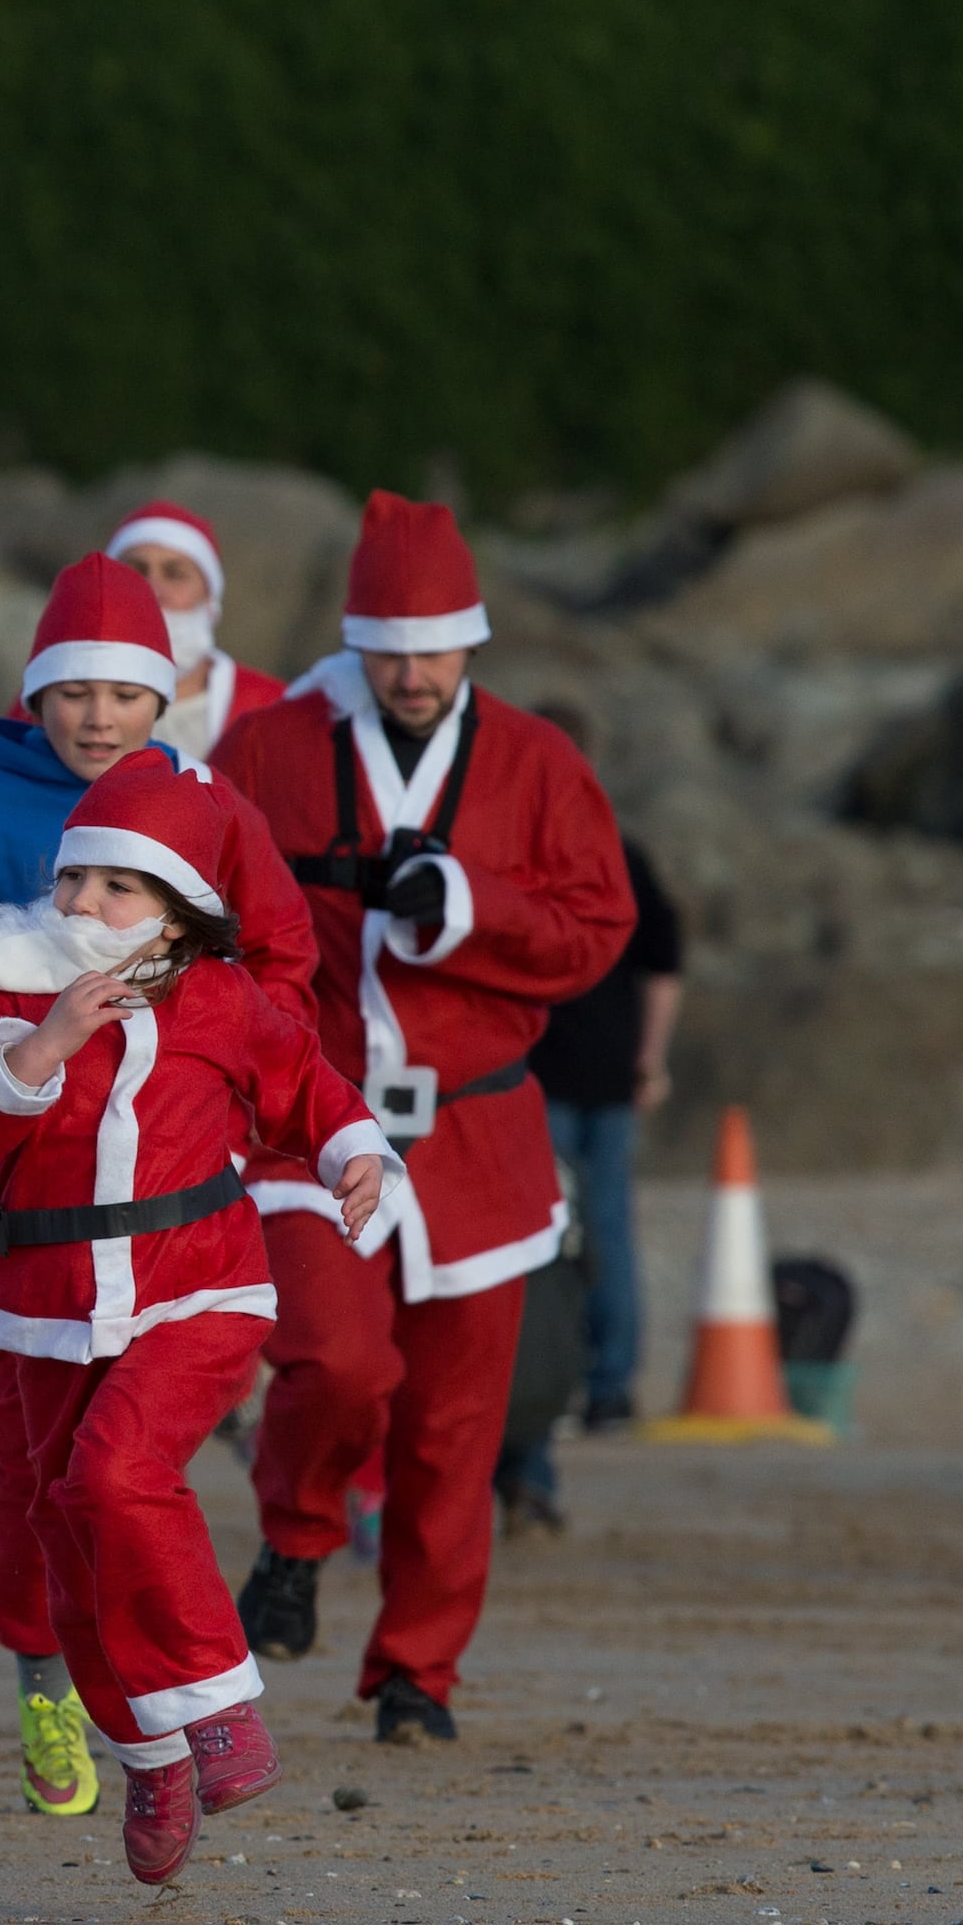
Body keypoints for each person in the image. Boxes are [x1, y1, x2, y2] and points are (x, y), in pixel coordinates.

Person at [0, 556, 317, 1814]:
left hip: (165, 1185)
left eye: (125, 693)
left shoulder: (208, 801)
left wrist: (224, 1085)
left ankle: (176, 1709)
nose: (99, 717)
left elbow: (278, 961)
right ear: (33, 694)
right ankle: (42, 1665)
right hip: (11, 1175)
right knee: (24, 1469)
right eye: (74, 692)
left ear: (165, 698)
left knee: (121, 1462)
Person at [0, 748, 392, 1883]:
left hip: (199, 1291)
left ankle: (223, 1711)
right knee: (69, 1550)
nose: (82, 903)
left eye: (117, 888)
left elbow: (305, 1083)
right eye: (74, 879)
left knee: (115, 1476)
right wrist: (44, 1046)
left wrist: (352, 1149)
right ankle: (149, 1755)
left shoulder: (221, 997)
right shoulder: (3, 987)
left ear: (176, 912)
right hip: (41, 1312)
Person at [216, 494, 635, 1742]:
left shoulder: (539, 765)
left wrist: (468, 906)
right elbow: (203, 913)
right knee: (337, 1362)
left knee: (460, 1428)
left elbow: (594, 933)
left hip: (477, 1134)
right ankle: (294, 1540)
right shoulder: (268, 751)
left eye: (435, 646)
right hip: (310, 1118)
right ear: (354, 638)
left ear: (474, 641)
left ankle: (415, 1675)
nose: (410, 671)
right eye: (388, 646)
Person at [518, 701, 682, 1453]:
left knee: (567, 1234)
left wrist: (649, 1060)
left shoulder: (572, 852)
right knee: (593, 1229)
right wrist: (650, 1058)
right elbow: (664, 969)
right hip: (565, 1073)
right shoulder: (620, 851)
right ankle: (590, 1385)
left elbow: (661, 965)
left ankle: (588, 1383)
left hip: (564, 1077)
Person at [107, 501, 275, 760]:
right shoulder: (58, 701)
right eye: (135, 571)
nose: (153, 591)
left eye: (175, 574)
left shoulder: (268, 707)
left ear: (210, 597)